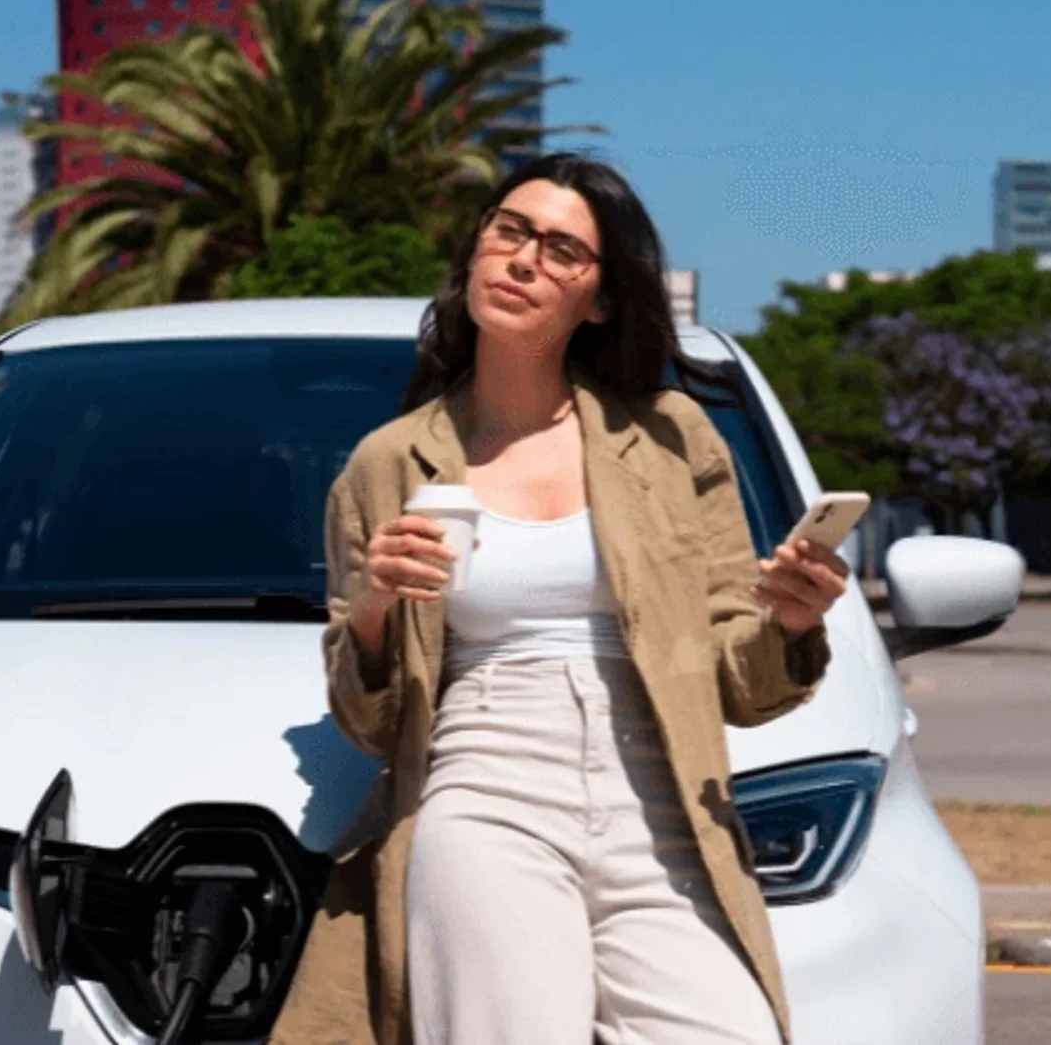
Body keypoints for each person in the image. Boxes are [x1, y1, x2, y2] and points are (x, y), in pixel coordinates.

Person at [281, 152, 849, 1045]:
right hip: (485, 777)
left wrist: (790, 618)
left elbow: (740, 680)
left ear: (602, 298)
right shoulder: (389, 463)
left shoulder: (671, 439)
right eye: (508, 232)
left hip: (658, 790)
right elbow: (369, 721)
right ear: (474, 253)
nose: (522, 259)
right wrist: (374, 612)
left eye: (561, 250)